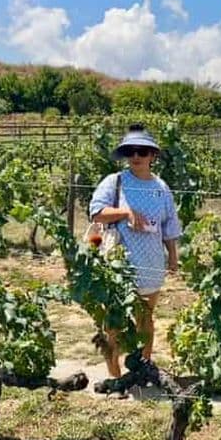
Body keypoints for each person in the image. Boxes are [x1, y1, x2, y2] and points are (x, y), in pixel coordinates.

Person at [90, 124, 182, 378]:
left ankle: (142, 370)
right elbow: (96, 212)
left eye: (142, 152)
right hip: (119, 265)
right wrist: (126, 212)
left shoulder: (161, 188)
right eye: (131, 152)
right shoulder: (115, 182)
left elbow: (170, 225)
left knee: (146, 320)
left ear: (153, 156)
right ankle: (115, 376)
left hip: (151, 263)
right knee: (115, 322)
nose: (136, 157)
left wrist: (172, 256)